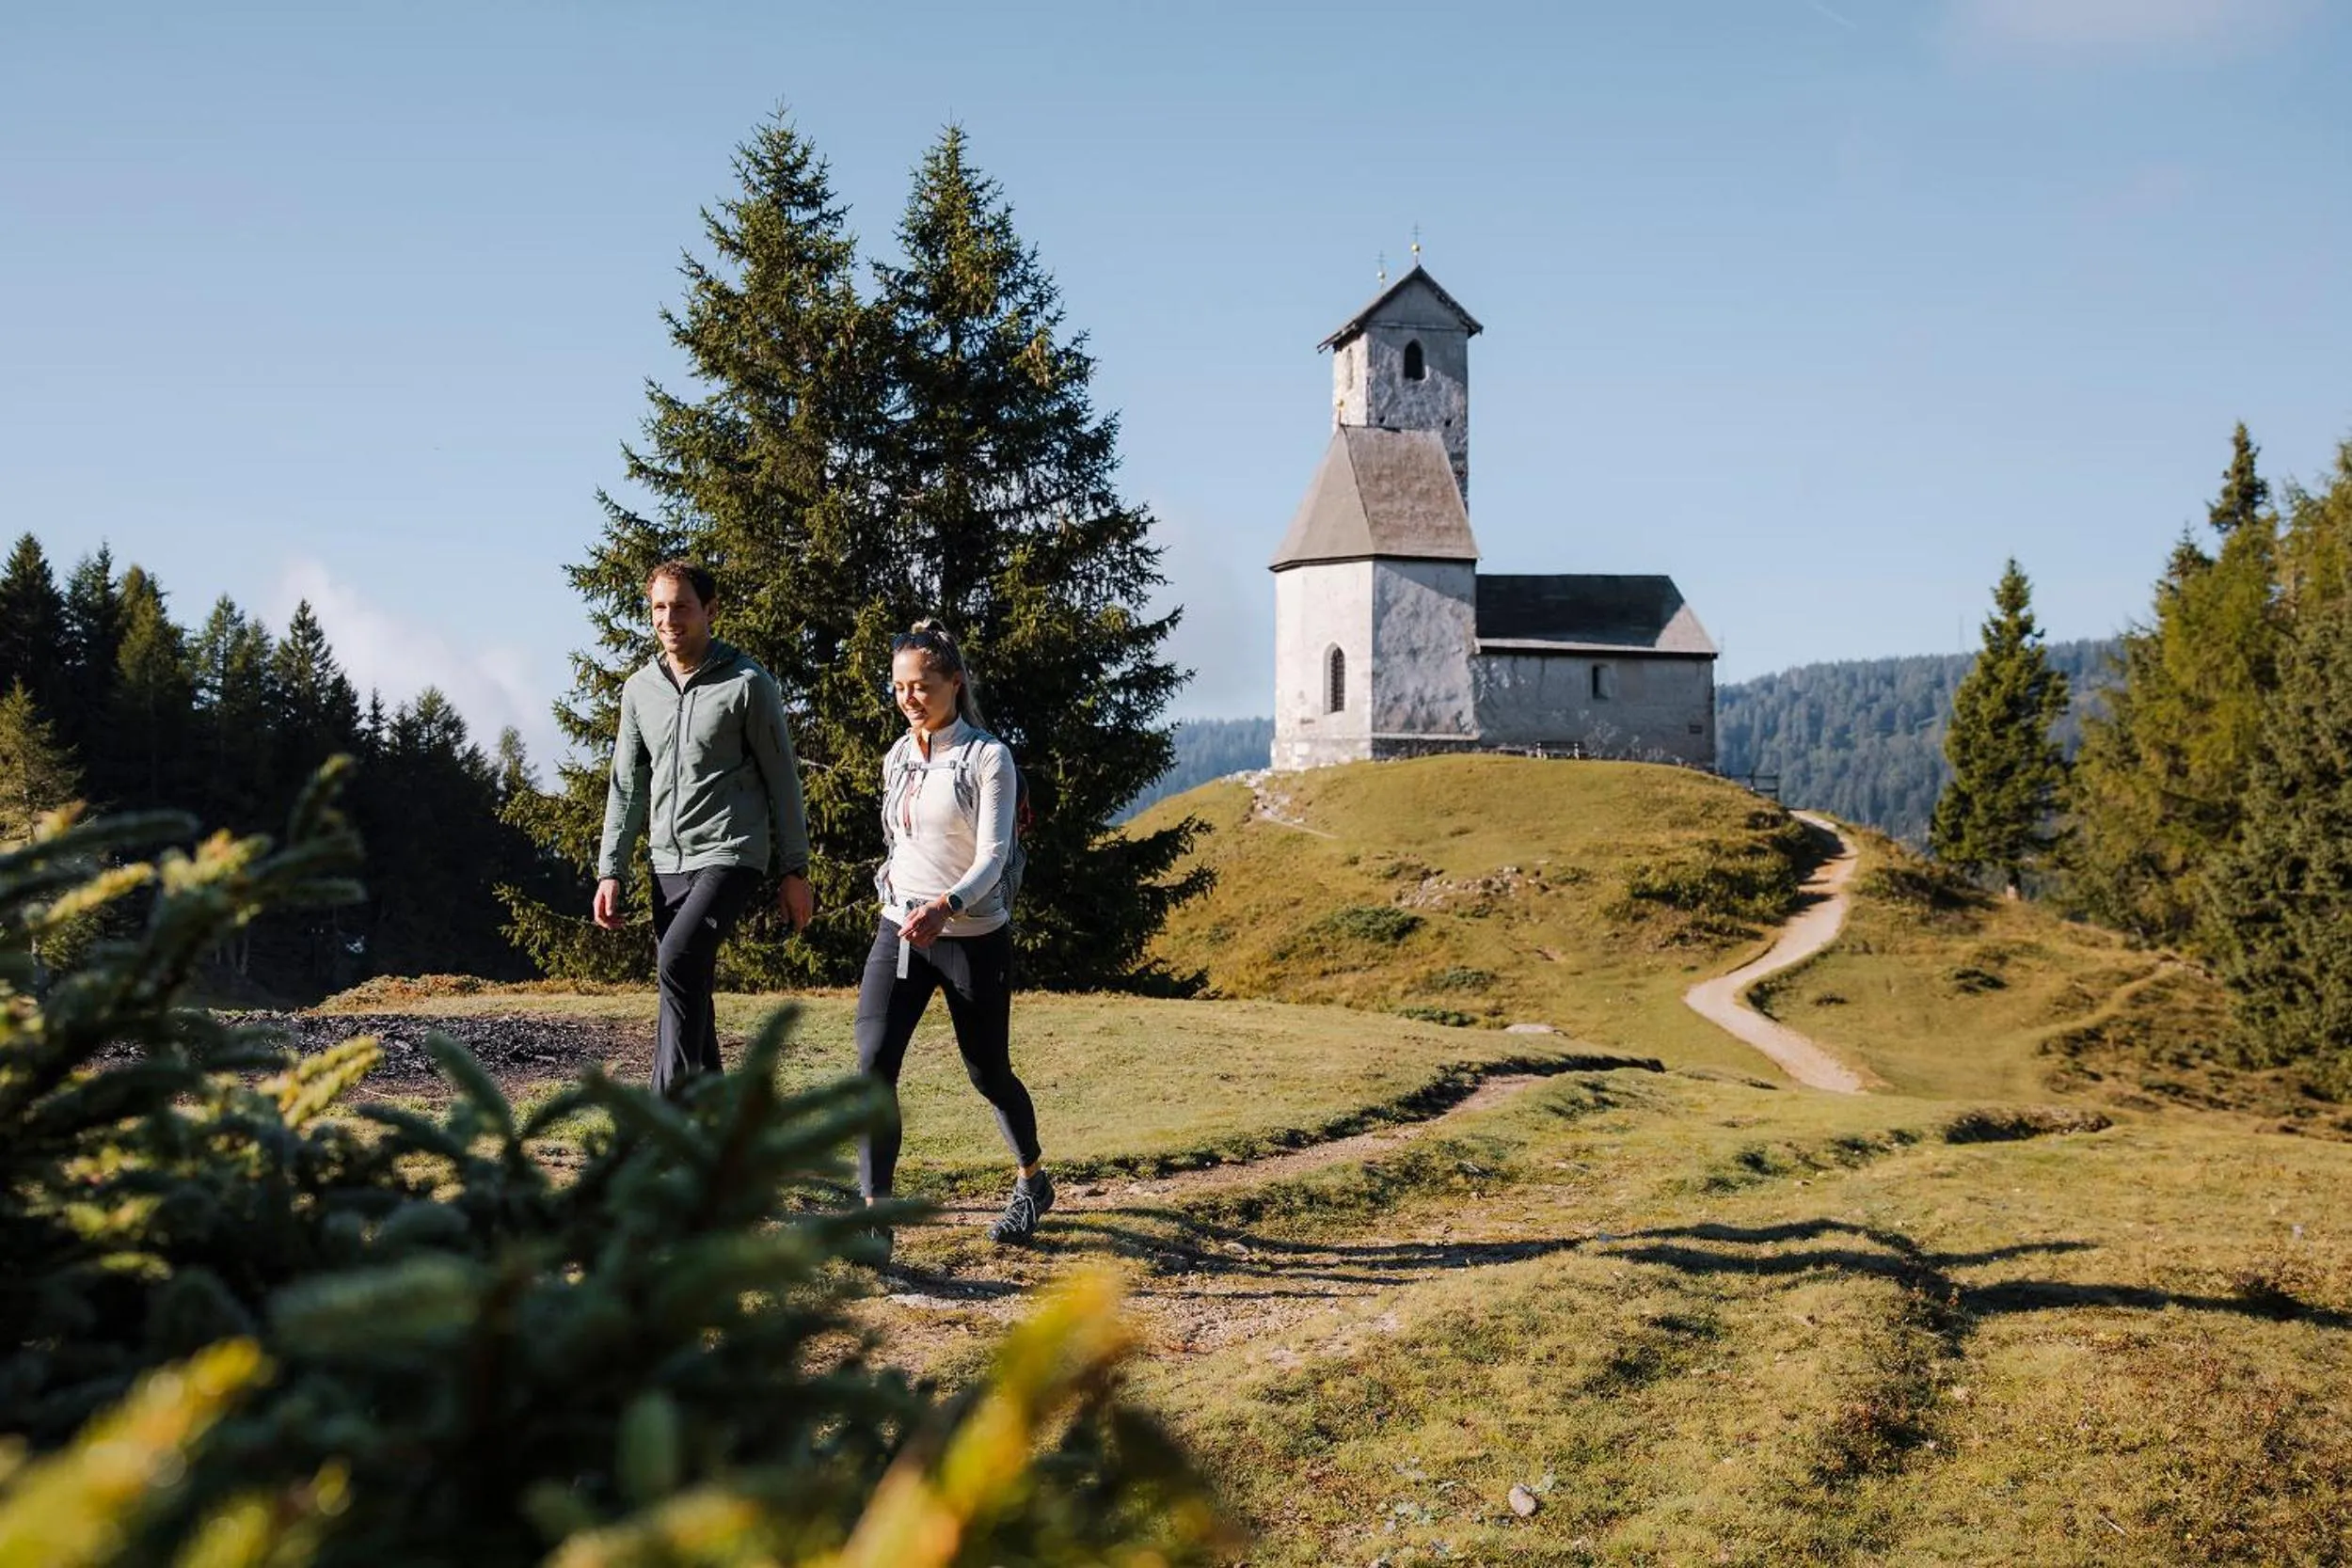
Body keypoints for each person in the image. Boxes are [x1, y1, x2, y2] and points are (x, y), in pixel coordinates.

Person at [857, 620, 1050, 1251]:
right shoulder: (896, 756)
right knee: (874, 1066)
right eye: (900, 687)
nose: (910, 697)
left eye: (922, 685)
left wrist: (949, 905)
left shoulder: (988, 757)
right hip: (901, 931)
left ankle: (1031, 1180)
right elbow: (900, 839)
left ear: (954, 683)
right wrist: (903, 898)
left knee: (988, 1072)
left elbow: (994, 854)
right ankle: (875, 1215)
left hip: (971, 935)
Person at [593, 560, 815, 1096]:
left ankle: (665, 1118)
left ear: (710, 611)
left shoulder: (747, 684)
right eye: (659, 608)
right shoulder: (639, 690)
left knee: (676, 961)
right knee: (688, 986)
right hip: (667, 862)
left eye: (682, 607)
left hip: (730, 853)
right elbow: (626, 786)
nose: (670, 619)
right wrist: (610, 870)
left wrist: (795, 868)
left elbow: (782, 778)